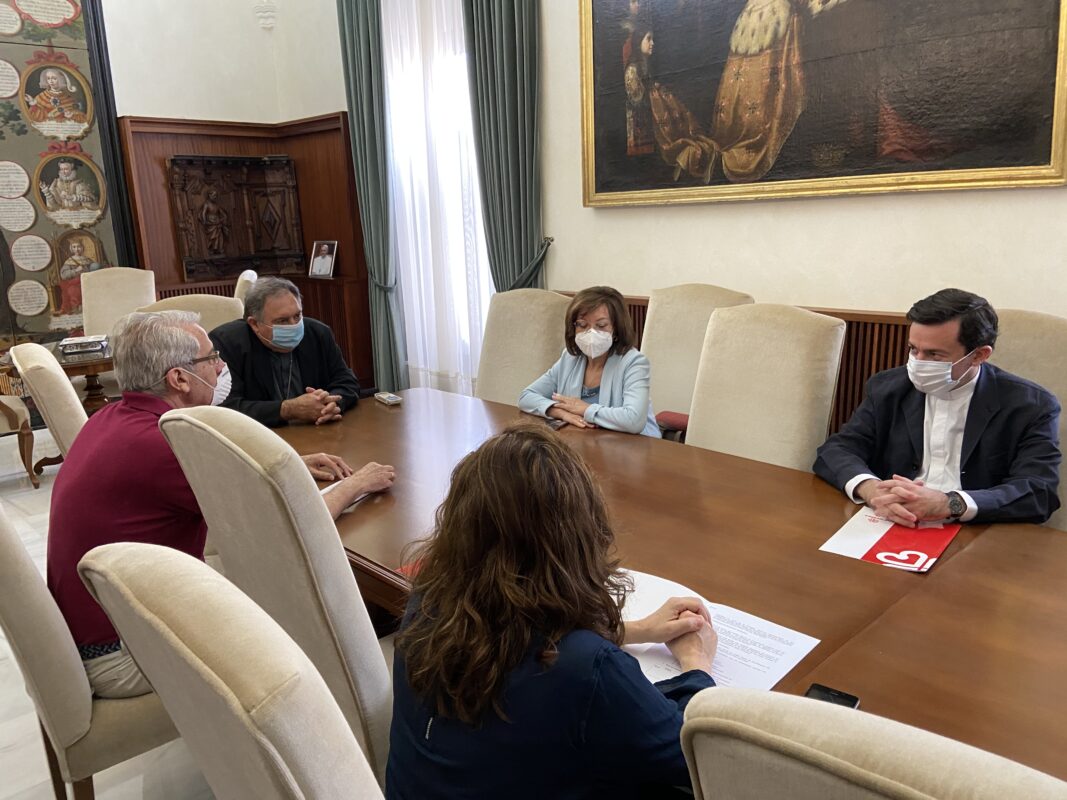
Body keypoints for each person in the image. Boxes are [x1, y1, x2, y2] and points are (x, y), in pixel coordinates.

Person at [47, 310, 396, 699]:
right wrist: (357, 485)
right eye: (211, 358)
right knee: (305, 611)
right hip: (124, 653)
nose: (221, 366)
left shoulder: (115, 417)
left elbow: (223, 476)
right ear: (178, 378)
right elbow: (291, 529)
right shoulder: (167, 445)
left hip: (109, 623)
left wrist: (294, 465)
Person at [388, 423, 717, 799]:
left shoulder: (428, 595)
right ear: (577, 537)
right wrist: (697, 665)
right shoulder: (587, 670)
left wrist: (638, 629)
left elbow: (514, 629)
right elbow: (694, 757)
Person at [814, 288, 1061, 525]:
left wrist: (949, 504)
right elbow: (837, 450)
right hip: (891, 520)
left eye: (934, 355)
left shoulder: (1031, 405)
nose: (918, 363)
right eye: (913, 349)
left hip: (978, 531)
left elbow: (1037, 491)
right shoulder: (888, 387)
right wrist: (871, 489)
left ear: (979, 355)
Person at [210, 277, 360, 427]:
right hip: (261, 436)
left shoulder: (318, 333)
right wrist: (287, 409)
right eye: (282, 321)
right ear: (254, 324)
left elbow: (347, 381)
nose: (293, 326)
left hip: (317, 430)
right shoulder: (226, 343)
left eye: (297, 316)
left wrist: (332, 404)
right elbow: (226, 407)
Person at [519, 285, 661, 437]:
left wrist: (585, 409)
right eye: (582, 325)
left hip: (636, 448)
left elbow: (634, 420)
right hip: (586, 443)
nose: (591, 333)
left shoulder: (634, 362)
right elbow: (526, 397)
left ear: (617, 330)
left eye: (601, 325)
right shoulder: (570, 358)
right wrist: (560, 412)